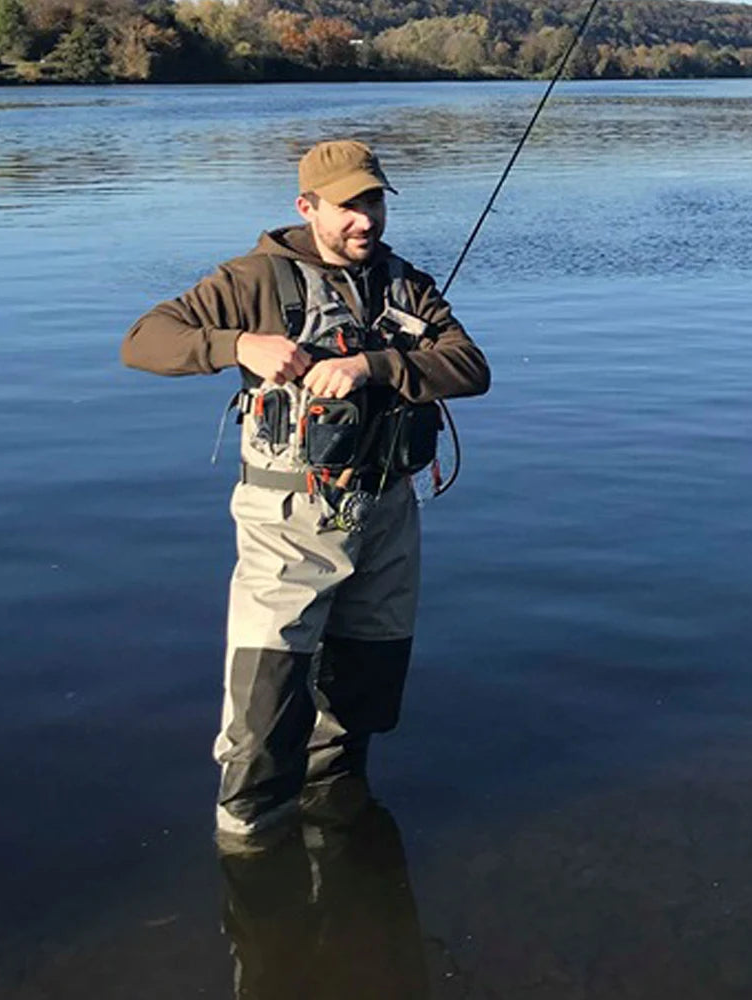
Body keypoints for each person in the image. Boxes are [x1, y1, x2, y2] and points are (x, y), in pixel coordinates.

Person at [121, 139, 490, 844]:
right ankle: (250, 852)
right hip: (286, 524)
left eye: (374, 202)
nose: (365, 221)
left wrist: (375, 366)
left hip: (387, 517)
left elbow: (470, 368)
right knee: (264, 715)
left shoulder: (407, 283)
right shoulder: (253, 279)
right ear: (308, 206)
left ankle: (341, 840)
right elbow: (144, 340)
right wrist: (238, 347)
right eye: (349, 206)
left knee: (363, 698)